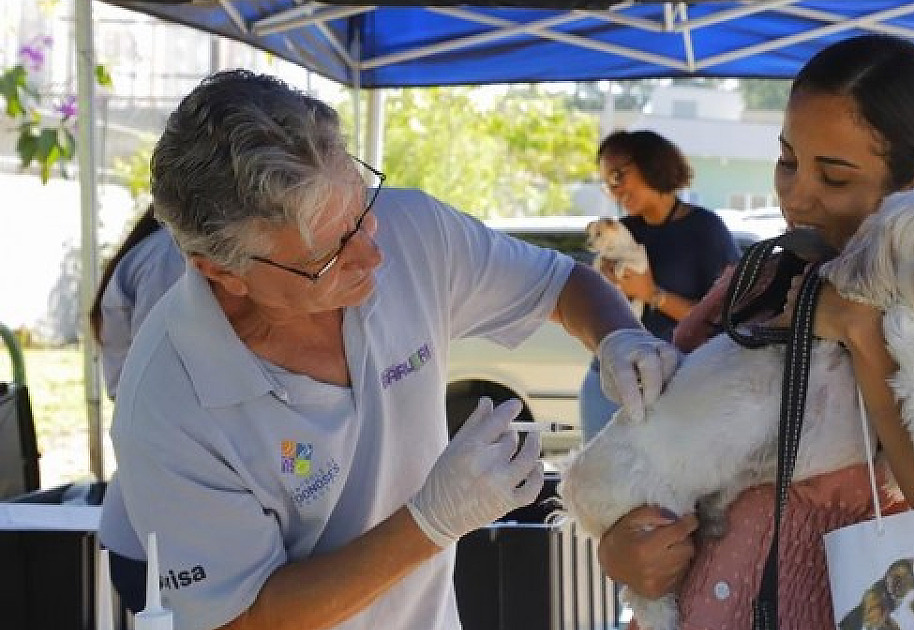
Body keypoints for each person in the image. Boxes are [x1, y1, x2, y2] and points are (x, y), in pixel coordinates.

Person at [97, 69, 681, 630]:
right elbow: (242, 620)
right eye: (327, 255)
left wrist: (619, 338)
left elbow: (560, 284)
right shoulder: (166, 405)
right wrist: (430, 522)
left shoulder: (411, 231)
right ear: (223, 273)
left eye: (362, 211)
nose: (372, 255)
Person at [596, 34, 914, 629]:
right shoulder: (756, 283)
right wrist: (619, 550)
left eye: (835, 177)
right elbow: (655, 441)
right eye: (788, 161)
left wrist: (860, 335)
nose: (798, 196)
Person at [580, 130, 740, 440]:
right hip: (607, 381)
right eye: (607, 184)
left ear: (651, 164)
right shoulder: (622, 232)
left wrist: (652, 294)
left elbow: (728, 320)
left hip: (675, 386)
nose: (614, 191)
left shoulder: (705, 229)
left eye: (617, 176)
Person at [88, 206, 185, 398]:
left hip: (149, 401)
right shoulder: (169, 256)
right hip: (155, 403)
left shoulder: (166, 250)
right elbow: (158, 356)